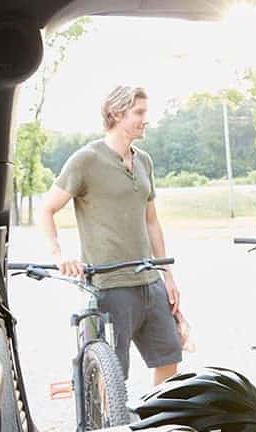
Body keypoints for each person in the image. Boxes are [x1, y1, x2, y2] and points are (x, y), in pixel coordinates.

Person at [39, 85, 182, 386]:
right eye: (139, 112)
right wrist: (59, 256)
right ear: (116, 114)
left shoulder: (144, 161)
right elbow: (46, 209)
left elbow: (152, 222)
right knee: (114, 378)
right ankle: (111, 430)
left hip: (149, 280)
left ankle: (157, 425)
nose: (146, 120)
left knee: (169, 359)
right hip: (110, 284)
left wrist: (167, 276)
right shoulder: (86, 160)